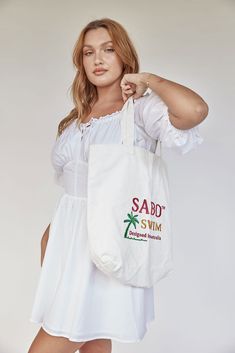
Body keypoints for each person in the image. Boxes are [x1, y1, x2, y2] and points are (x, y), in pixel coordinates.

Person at [28, 17, 209, 353]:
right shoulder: (74, 119)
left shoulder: (139, 111)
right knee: (94, 343)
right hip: (66, 252)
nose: (98, 59)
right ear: (80, 62)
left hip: (107, 250)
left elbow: (195, 110)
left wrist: (149, 81)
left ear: (124, 55)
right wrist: (52, 244)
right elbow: (72, 194)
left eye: (108, 49)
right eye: (88, 52)